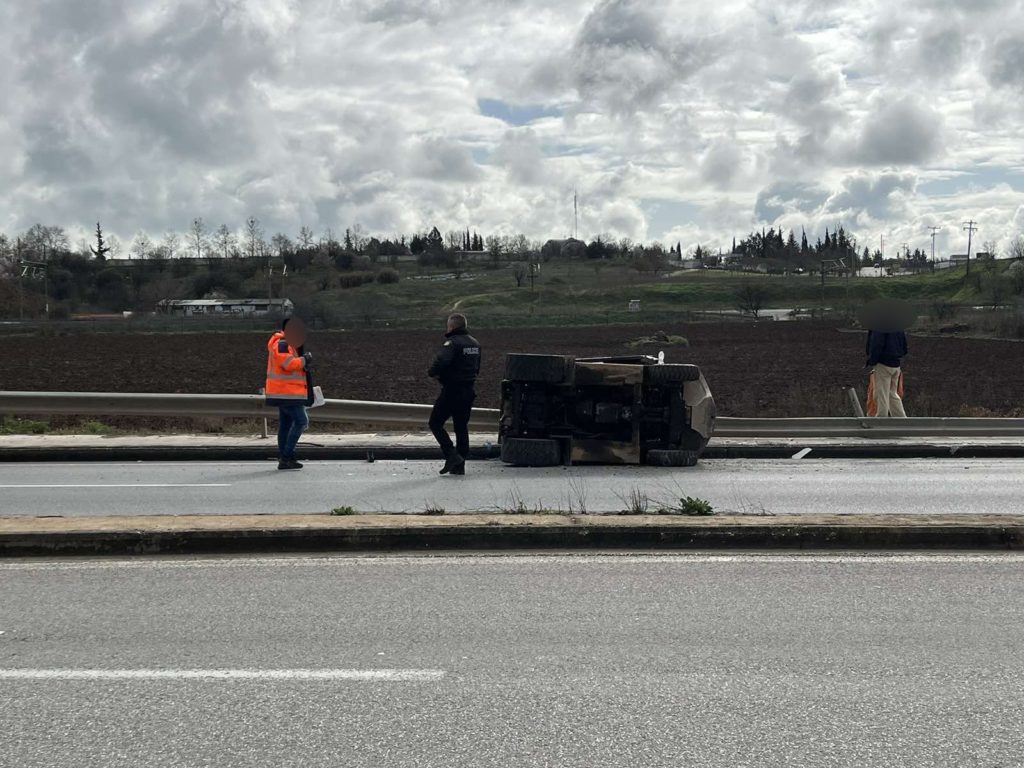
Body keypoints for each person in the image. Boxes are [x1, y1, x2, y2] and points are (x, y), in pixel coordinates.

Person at [428, 313, 481, 475]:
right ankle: (460, 465)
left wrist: (433, 372)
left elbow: (442, 361)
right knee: (461, 427)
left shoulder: (452, 343)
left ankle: (451, 454)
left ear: (451, 326)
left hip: (452, 390)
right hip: (468, 390)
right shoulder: (475, 343)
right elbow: (477, 368)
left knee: (435, 423)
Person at [265, 317, 313, 469]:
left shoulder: (286, 344)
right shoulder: (283, 344)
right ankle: (286, 456)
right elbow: (288, 364)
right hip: (287, 393)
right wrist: (304, 360)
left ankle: (286, 458)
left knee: (286, 425)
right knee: (301, 422)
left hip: (285, 392)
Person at [866, 328, 908, 418]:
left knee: (881, 394)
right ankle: (901, 419)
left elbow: (877, 344)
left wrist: (872, 361)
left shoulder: (879, 326)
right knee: (892, 393)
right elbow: (904, 346)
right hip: (896, 364)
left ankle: (881, 420)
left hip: (883, 363)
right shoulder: (898, 326)